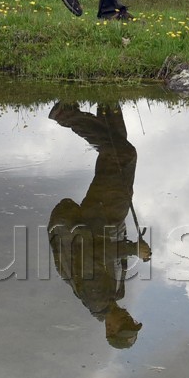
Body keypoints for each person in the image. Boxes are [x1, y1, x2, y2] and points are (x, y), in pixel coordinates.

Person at [46, 101, 150, 348]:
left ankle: (66, 116)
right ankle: (107, 104)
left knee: (123, 154)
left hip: (100, 216)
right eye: (131, 323)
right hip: (110, 217)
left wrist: (133, 250)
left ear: (110, 330)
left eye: (123, 326)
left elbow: (93, 253)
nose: (127, 318)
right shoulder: (114, 296)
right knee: (115, 152)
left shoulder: (97, 298)